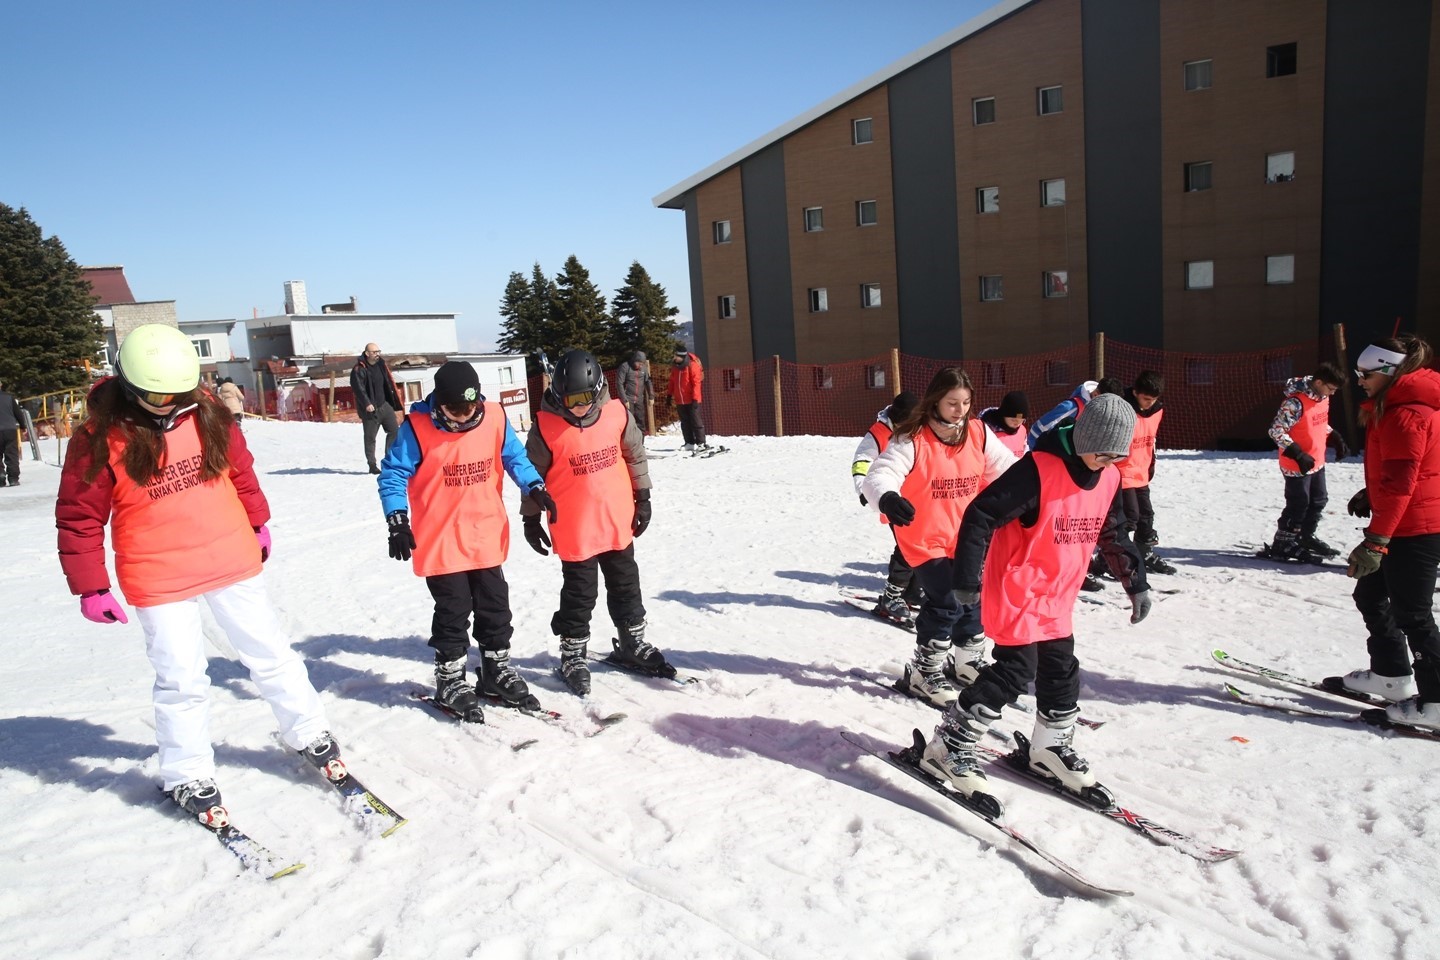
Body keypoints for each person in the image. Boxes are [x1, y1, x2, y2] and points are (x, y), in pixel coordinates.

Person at [54, 323, 345, 827]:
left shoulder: (209, 412)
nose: (167, 402)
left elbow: (241, 471)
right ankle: (186, 772)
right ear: (127, 383)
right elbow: (79, 516)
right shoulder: (98, 438)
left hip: (229, 558)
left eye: (175, 391)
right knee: (182, 680)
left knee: (270, 654)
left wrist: (257, 522)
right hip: (158, 577)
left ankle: (308, 731)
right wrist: (91, 585)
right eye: (155, 393)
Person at [916, 393, 1151, 801]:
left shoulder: (1109, 477)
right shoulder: (1038, 470)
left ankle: (1050, 748)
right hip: (1017, 588)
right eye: (1101, 452)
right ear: (1082, 437)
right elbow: (981, 514)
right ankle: (949, 745)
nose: (1107, 461)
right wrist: (967, 577)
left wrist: (1137, 583)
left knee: (1062, 668)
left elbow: (1113, 532)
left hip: (1058, 594)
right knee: (1015, 669)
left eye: (1115, 455)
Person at [378, 360, 555, 722]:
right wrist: (397, 521)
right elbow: (393, 473)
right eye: (453, 411)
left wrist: (534, 485)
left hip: (484, 534)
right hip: (441, 540)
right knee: (453, 612)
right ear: (436, 403)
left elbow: (515, 456)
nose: (461, 418)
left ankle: (495, 671)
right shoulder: (416, 429)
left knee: (495, 607)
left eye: (468, 409)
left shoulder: (493, 417)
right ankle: (450, 679)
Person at [861, 368, 1018, 706]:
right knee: (946, 598)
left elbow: (1008, 469)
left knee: (972, 594)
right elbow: (881, 473)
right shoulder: (912, 438)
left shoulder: (978, 433)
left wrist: (1030, 496)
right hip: (923, 536)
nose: (960, 409)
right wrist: (887, 496)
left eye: (965, 402)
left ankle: (967, 661)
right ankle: (924, 670)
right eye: (952, 402)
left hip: (965, 535)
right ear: (935, 401)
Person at [521, 349, 672, 692]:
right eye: (571, 399)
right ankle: (573, 653)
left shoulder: (616, 413)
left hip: (616, 520)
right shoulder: (546, 427)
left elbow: (635, 455)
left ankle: (632, 641)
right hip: (575, 528)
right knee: (580, 594)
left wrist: (643, 497)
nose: (579, 406)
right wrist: (530, 519)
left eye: (586, 398)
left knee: (626, 585)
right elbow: (532, 476)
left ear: (599, 388)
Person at [1333, 336, 1440, 729]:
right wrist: (1370, 492)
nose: (1360, 380)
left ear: (1390, 372)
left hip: (1415, 528)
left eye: (1366, 374)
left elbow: (1401, 483)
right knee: (1372, 595)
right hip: (1407, 519)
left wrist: (1375, 540)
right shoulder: (1402, 406)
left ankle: (1437, 702)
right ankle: (1391, 676)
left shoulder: (1405, 414)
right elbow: (1411, 472)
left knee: (1413, 614)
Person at [1264, 362, 1348, 562]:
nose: (1333, 393)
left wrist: (1334, 436)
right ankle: (1283, 542)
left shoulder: (1322, 397)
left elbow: (1316, 422)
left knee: (1319, 500)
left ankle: (1304, 536)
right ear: (1319, 382)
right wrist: (1297, 453)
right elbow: (1276, 430)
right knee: (1299, 504)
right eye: (1331, 388)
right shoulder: (1295, 402)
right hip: (1297, 463)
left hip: (1316, 459)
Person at [851, 391, 922, 624]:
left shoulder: (919, 429)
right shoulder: (879, 433)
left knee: (921, 545)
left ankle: (912, 592)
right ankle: (892, 597)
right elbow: (862, 460)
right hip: (891, 499)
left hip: (919, 499)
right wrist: (863, 489)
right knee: (907, 545)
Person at [1121, 371, 1176, 575]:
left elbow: (1150, 441)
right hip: (1121, 472)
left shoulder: (1156, 411)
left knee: (1146, 516)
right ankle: (1109, 558)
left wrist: (1150, 465)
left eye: (1154, 399)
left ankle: (1143, 553)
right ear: (1135, 392)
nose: (1149, 403)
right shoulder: (1123, 409)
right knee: (1129, 517)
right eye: (1146, 399)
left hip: (1141, 472)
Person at [1026, 377, 1123, 450]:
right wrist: (1038, 454)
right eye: (1106, 403)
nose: (1108, 407)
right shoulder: (1072, 407)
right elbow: (1038, 429)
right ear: (1096, 394)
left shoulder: (1098, 408)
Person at [351, 342, 402, 474]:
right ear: (367, 354)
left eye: (378, 351)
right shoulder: (359, 369)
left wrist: (394, 402)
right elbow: (358, 389)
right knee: (370, 438)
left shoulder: (381, 365)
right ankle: (372, 465)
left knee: (394, 431)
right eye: (374, 352)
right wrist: (367, 403)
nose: (377, 354)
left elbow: (388, 383)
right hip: (370, 410)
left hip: (384, 405)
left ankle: (389, 460)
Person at [669, 347, 707, 451]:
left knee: (696, 421)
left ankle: (701, 443)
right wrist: (669, 395)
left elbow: (696, 383)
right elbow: (672, 381)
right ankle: (689, 442)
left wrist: (695, 398)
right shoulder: (675, 367)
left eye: (676, 356)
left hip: (692, 399)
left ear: (681, 357)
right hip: (680, 400)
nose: (674, 358)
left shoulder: (692, 365)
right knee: (685, 422)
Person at [978, 391, 1030, 457]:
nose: (1017, 423)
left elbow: (1025, 449)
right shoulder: (988, 431)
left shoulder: (1022, 430)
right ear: (1003, 415)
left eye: (1022, 420)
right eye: (1013, 420)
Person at [617, 351, 655, 435]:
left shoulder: (644, 369)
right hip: (628, 399)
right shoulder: (625, 367)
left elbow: (648, 382)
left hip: (639, 399)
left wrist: (651, 396)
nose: (640, 365)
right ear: (634, 360)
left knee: (641, 421)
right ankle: (628, 444)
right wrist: (624, 399)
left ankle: (641, 443)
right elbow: (619, 383)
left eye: (642, 364)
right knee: (628, 422)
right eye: (639, 363)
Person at [0, 381, 23, 487]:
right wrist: (23, 426)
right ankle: (13, 478)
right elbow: (18, 412)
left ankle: (0, 476)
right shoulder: (9, 397)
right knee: (12, 454)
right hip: (10, 429)